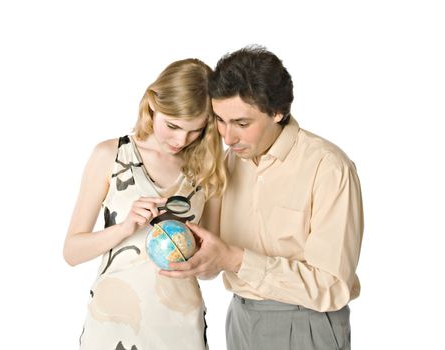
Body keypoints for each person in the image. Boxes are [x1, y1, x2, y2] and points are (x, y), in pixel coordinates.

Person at [161, 46, 364, 350]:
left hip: (307, 323)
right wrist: (203, 258)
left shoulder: (328, 168)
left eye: (242, 124)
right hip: (241, 319)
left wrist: (234, 258)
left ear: (278, 112)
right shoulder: (229, 163)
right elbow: (215, 257)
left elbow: (332, 287)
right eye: (219, 120)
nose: (228, 138)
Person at [63, 58, 226, 350]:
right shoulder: (109, 155)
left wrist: (199, 256)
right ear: (152, 104)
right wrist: (125, 227)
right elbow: (72, 252)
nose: (181, 139)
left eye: (195, 130)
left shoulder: (208, 169)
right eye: (173, 125)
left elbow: (210, 269)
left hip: (180, 324)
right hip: (112, 321)